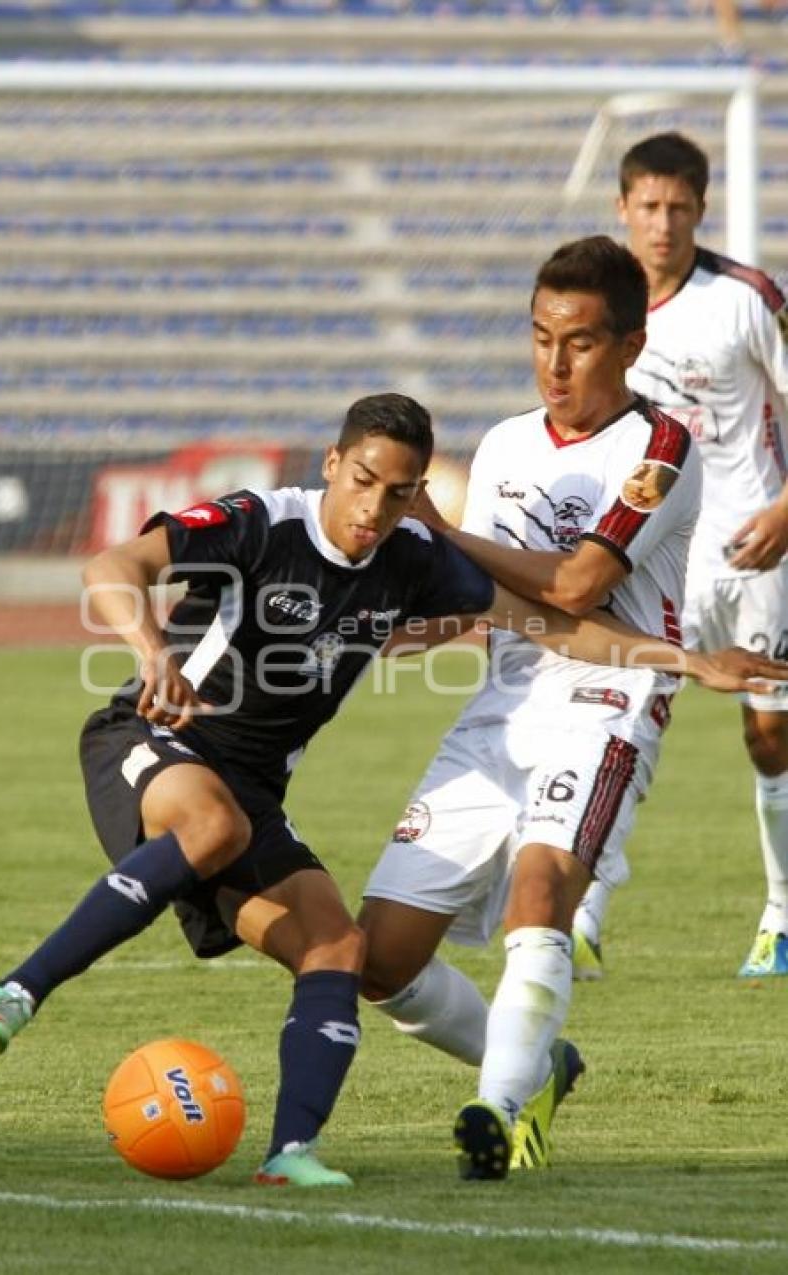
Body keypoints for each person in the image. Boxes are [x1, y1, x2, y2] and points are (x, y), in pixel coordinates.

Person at [0, 392, 762, 1189]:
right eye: (365, 480)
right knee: (213, 827)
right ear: (333, 465)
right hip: (153, 737)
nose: (374, 508)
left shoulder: (414, 556)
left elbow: (548, 623)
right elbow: (113, 567)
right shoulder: (262, 520)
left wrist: (688, 661)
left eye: (400, 491)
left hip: (251, 795)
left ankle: (289, 1155)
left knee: (341, 949)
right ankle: (16, 991)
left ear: (418, 493)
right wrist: (147, 649)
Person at [358, 235, 718, 1181]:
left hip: (612, 694)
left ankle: (498, 1111)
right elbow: (484, 605)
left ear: (631, 346)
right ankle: (533, 1065)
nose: (556, 363)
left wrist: (445, 532)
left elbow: (575, 582)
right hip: (501, 705)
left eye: (583, 342)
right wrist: (370, 629)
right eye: (541, 336)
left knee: (541, 887)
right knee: (377, 960)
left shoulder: (661, 448)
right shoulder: (509, 444)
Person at [572, 131, 788, 980]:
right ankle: (582, 914)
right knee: (623, 712)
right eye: (649, 207)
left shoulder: (744, 297)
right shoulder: (598, 308)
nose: (663, 224)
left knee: (768, 736)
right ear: (622, 208)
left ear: (702, 209)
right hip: (657, 553)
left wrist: (786, 510)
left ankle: (780, 916)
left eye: (680, 209)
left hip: (753, 545)